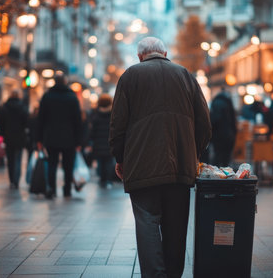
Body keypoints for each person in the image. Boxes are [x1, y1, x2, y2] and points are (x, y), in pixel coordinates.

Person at [109, 36, 211, 278]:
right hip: (180, 169)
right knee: (176, 228)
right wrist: (192, 153)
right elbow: (205, 124)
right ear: (165, 54)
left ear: (140, 56)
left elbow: (117, 125)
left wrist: (120, 158)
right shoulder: (185, 75)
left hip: (142, 167)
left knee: (147, 224)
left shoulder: (130, 77)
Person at [37, 74, 83, 199]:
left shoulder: (47, 97)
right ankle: (67, 189)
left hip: (51, 137)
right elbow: (78, 121)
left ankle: (51, 188)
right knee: (68, 166)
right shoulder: (72, 97)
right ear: (65, 82)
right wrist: (79, 141)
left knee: (52, 164)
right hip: (69, 138)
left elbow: (40, 119)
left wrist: (39, 139)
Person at [0, 89, 29, 189]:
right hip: (19, 137)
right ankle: (16, 180)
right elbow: (26, 122)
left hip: (8, 136)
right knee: (18, 159)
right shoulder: (23, 107)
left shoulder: (5, 107)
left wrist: (2, 133)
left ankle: (11, 180)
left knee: (10, 160)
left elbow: (0, 122)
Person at [88, 93, 115, 188]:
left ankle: (102, 179)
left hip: (98, 143)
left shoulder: (95, 113)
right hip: (109, 142)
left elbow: (92, 130)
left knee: (100, 162)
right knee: (109, 161)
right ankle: (109, 180)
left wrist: (90, 141)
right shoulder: (113, 113)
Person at [209, 88, 237, 167]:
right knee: (226, 159)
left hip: (218, 136)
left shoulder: (216, 103)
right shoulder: (229, 103)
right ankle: (226, 176)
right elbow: (233, 121)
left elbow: (214, 120)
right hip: (229, 136)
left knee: (217, 158)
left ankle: (217, 177)